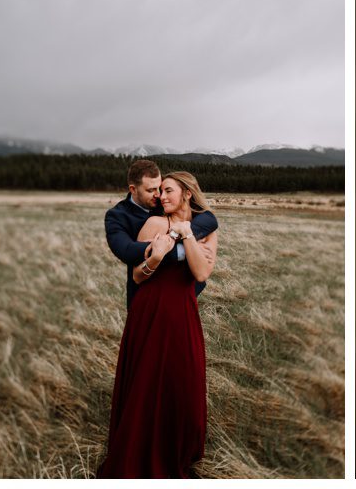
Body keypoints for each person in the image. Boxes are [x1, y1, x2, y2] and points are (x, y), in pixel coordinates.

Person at [97, 171, 220, 478]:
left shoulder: (206, 228)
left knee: (183, 380)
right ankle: (140, 449)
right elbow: (138, 275)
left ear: (187, 194)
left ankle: (177, 450)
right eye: (159, 191)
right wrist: (157, 256)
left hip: (183, 310)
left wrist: (186, 235)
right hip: (150, 309)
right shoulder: (153, 223)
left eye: (168, 191)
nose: (161, 197)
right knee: (148, 381)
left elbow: (201, 273)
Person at [105, 159, 218, 310]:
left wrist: (181, 236)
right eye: (151, 190)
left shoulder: (164, 201)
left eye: (160, 188)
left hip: (183, 295)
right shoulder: (117, 216)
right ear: (133, 189)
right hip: (146, 294)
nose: (159, 195)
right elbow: (127, 251)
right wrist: (182, 251)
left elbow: (209, 218)